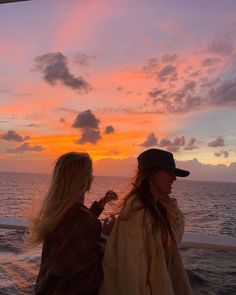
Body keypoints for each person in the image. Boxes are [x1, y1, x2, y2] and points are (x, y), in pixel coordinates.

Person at [100, 148, 193, 295]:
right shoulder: (137, 213)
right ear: (152, 174)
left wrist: (170, 204)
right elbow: (132, 275)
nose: (174, 178)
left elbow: (177, 237)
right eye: (169, 172)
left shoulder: (158, 207)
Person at [29, 152, 118, 295]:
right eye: (90, 173)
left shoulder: (57, 212)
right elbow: (93, 269)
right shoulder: (83, 219)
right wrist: (105, 237)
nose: (92, 177)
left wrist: (101, 204)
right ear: (83, 180)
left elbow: (75, 231)